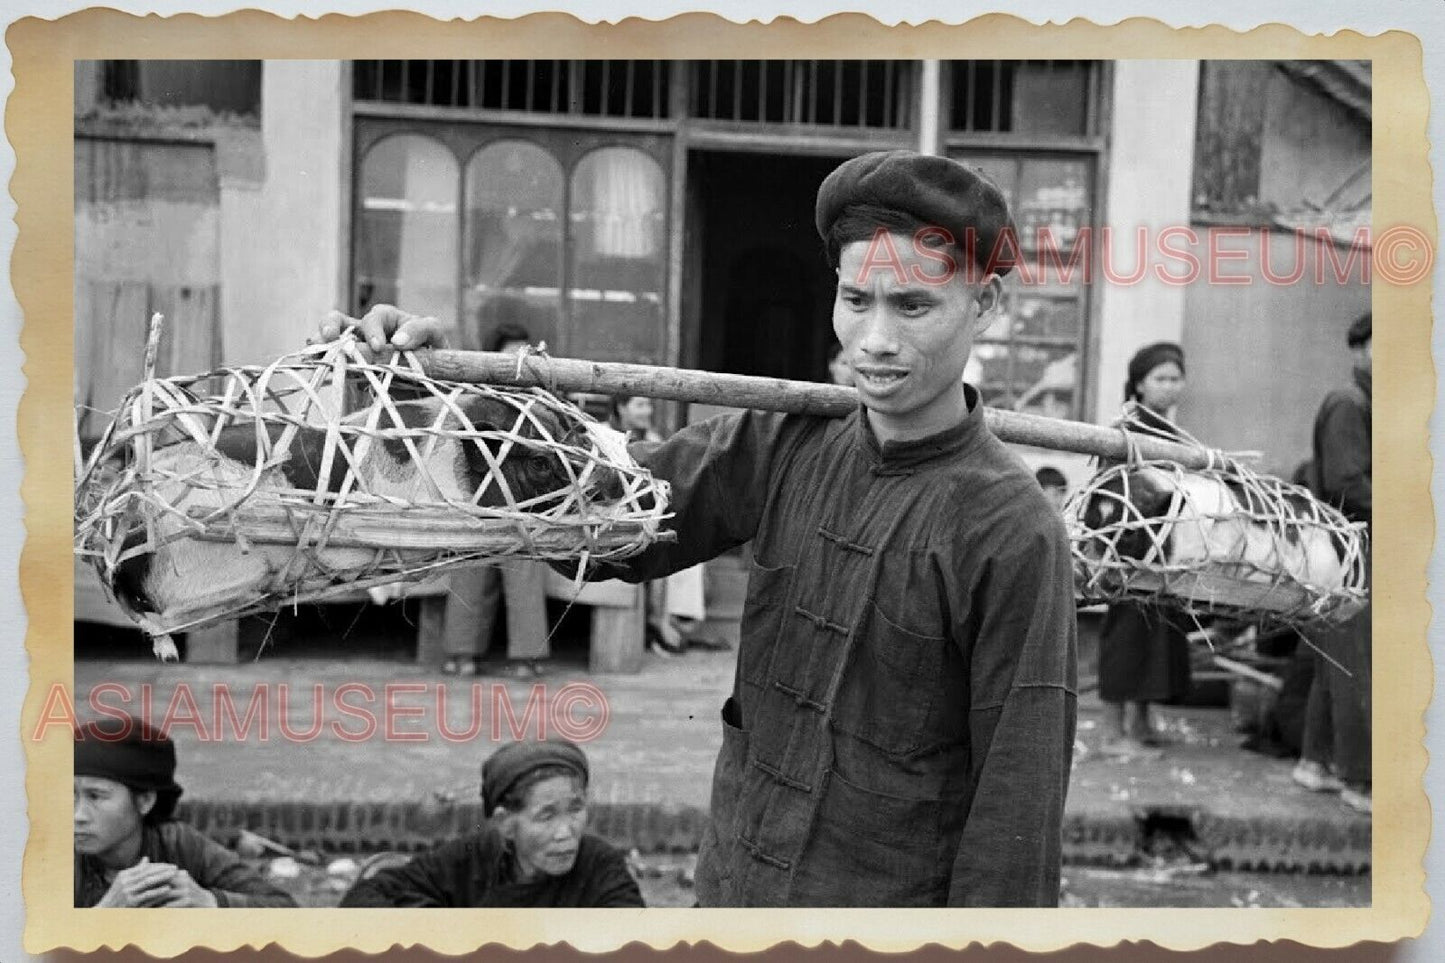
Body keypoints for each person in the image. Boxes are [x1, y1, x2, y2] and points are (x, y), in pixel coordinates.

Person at [319, 149, 1078, 907]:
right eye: (855, 299)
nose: (873, 339)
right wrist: (451, 395)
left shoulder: (1013, 532)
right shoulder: (788, 441)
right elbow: (604, 510)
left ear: (985, 304)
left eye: (912, 306)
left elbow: (1017, 813)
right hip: (734, 892)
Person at [339, 740, 642, 907]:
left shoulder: (601, 866)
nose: (566, 834)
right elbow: (369, 895)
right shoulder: (472, 857)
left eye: (575, 810)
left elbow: (634, 939)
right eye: (546, 816)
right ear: (506, 823)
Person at [74, 716, 296, 908]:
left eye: (96, 796)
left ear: (145, 801)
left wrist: (210, 902)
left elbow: (285, 908)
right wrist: (107, 911)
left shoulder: (177, 844)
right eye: (71, 796)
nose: (78, 816)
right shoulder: (56, 855)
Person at [439, 321, 552, 679]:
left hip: (523, 497)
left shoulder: (538, 395)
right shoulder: (475, 394)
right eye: (509, 355)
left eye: (524, 353)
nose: (517, 361)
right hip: (477, 494)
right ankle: (461, 653)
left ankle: (526, 657)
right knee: (469, 569)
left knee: (525, 574)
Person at [1096, 342, 1194, 757]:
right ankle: (1115, 733)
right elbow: (1113, 488)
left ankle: (1141, 722)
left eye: (1176, 378)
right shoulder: (1127, 427)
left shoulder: (1170, 431)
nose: (1170, 387)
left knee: (1158, 639)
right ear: (1140, 384)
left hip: (1164, 546)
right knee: (1128, 637)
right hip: (1130, 544)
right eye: (1161, 379)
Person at [1292, 312, 1372, 814]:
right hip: (1353, 548)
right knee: (1356, 664)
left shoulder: (1364, 403)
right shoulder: (1350, 404)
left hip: (1342, 549)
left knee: (1336, 663)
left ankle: (1315, 762)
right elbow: (1348, 484)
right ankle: (1359, 778)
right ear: (1360, 348)